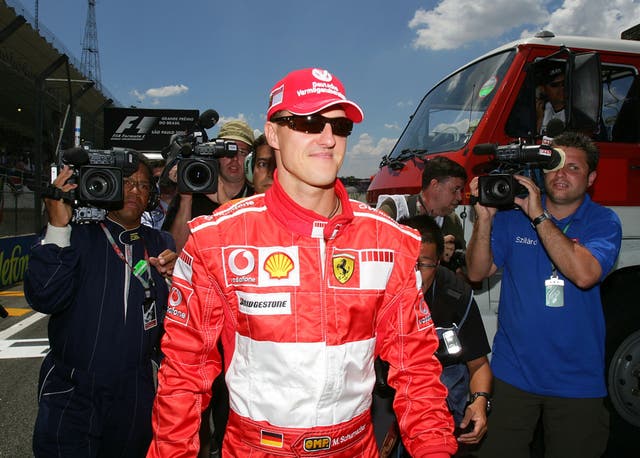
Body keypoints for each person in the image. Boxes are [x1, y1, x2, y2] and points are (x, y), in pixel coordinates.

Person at [148, 67, 457, 457]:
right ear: (273, 134)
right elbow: (183, 377)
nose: (328, 138)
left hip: (356, 448)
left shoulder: (390, 241)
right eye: (308, 122)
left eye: (339, 125)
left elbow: (417, 374)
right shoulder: (216, 241)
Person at [466, 131, 621, 458]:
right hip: (512, 374)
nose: (561, 175)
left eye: (573, 168)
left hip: (577, 381)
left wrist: (538, 216)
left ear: (591, 178)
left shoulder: (604, 221)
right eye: (553, 166)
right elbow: (477, 273)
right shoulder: (510, 219)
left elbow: (584, 274)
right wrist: (484, 220)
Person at [24, 152, 177, 457]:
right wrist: (56, 228)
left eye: (144, 186)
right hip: (73, 386)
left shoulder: (161, 243)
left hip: (135, 389)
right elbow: (44, 296)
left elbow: (175, 319)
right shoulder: (75, 233)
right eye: (127, 182)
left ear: (151, 196)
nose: (135, 191)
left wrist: (175, 281)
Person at [373, 215, 492, 457]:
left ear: (438, 263)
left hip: (443, 411)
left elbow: (478, 364)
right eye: (406, 262)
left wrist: (480, 401)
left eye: (423, 264)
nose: (414, 273)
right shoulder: (368, 291)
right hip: (381, 407)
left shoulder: (457, 296)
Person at [163, 119, 255, 252]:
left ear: (250, 158)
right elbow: (174, 252)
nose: (234, 158)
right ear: (215, 154)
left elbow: (255, 246)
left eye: (241, 152)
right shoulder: (193, 190)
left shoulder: (258, 195)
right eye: (227, 151)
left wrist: (225, 204)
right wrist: (186, 198)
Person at [377, 156, 467, 273]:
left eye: (461, 191)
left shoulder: (452, 221)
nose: (459, 197)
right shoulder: (395, 209)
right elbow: (375, 250)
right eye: (455, 190)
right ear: (435, 185)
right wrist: (435, 249)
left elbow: (465, 273)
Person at [536, 64, 565, 135]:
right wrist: (540, 119)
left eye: (564, 83)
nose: (562, 88)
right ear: (543, 89)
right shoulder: (544, 109)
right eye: (555, 85)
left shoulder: (576, 111)